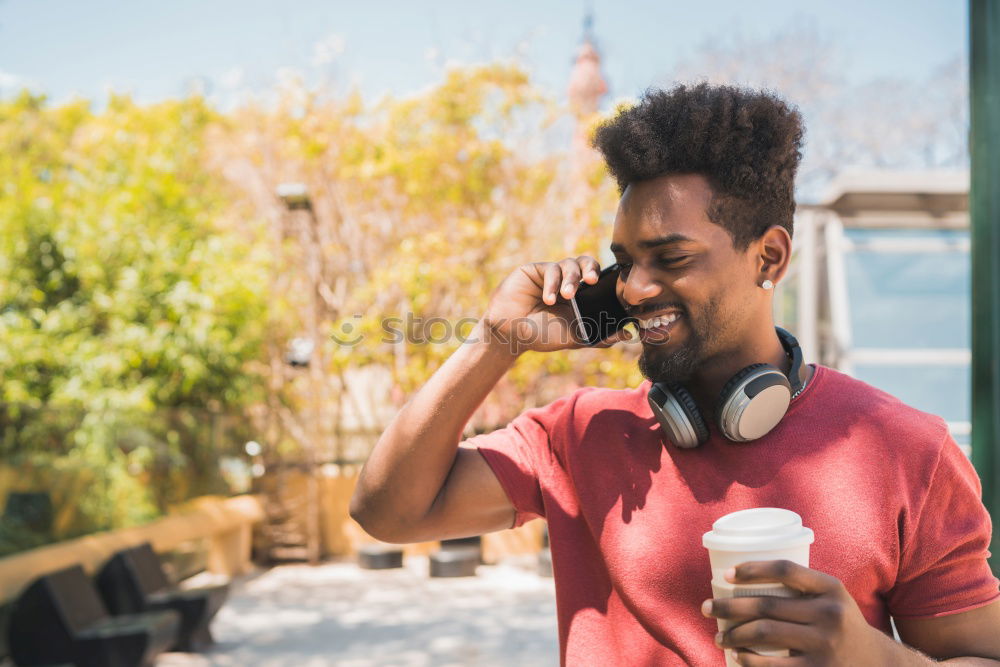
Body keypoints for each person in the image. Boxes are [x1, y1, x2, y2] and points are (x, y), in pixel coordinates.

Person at [350, 83, 1000, 665]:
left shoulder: (908, 447)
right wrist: (496, 343)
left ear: (769, 256)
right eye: (624, 261)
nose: (633, 289)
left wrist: (872, 658)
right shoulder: (579, 432)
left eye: (669, 257)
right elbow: (387, 511)